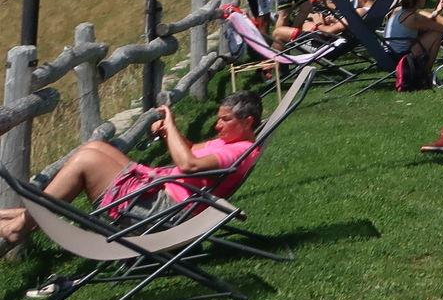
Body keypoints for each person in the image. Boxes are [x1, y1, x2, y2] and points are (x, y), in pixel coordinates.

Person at [0, 93, 265, 246]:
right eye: (218, 119)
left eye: (225, 120)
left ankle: (17, 227)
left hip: (164, 211)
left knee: (86, 161)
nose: (218, 126)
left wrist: (171, 124)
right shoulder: (229, 142)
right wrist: (167, 134)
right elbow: (191, 149)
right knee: (94, 148)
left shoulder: (237, 151)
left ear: (248, 121)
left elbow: (188, 164)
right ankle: (22, 218)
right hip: (160, 195)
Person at [387, 0, 443, 74]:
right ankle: (426, 72)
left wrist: (437, 11)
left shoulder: (398, 10)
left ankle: (425, 72)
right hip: (401, 57)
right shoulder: (413, 17)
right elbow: (441, 27)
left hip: (390, 53)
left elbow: (423, 22)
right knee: (436, 34)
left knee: (427, 31)